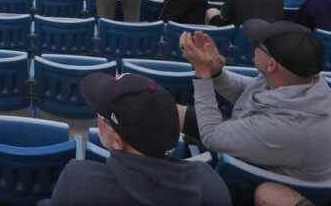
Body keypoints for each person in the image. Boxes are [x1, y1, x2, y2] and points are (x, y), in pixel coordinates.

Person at [178, 20, 331, 181]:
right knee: (174, 113)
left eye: (258, 45)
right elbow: (246, 91)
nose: (254, 46)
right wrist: (216, 72)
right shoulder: (306, 82)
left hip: (255, 181)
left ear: (271, 65)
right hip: (254, 136)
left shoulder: (285, 127)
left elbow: (211, 137)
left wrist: (202, 73)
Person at [47, 72, 231, 206]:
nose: (97, 117)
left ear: (117, 141)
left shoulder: (78, 180)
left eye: (102, 116)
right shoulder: (211, 184)